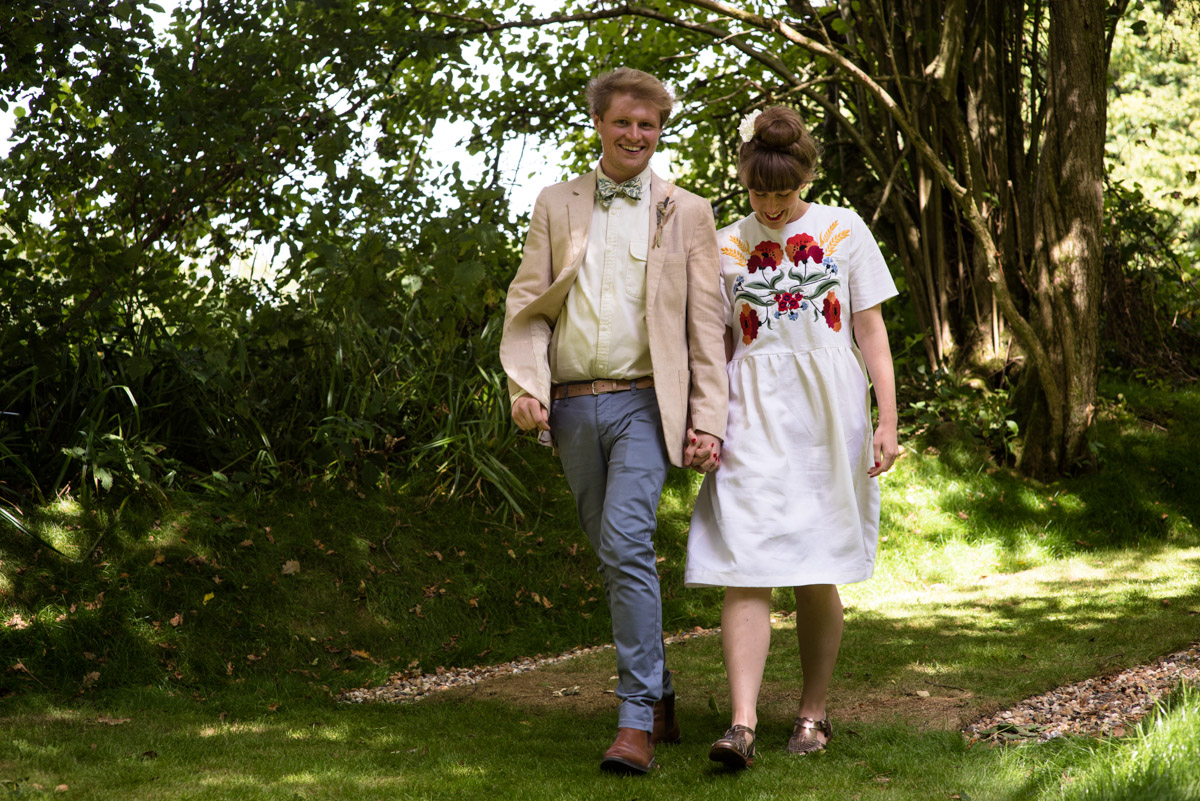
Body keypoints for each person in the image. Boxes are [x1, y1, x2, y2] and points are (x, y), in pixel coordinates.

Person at [499, 67, 728, 775]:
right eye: (624, 122)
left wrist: (708, 419)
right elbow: (529, 306)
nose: (636, 135)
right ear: (599, 123)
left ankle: (634, 722)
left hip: (642, 403)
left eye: (648, 125)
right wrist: (526, 386)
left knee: (627, 539)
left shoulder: (685, 210)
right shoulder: (554, 203)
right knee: (611, 552)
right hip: (571, 404)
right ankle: (658, 686)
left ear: (660, 131)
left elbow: (705, 323)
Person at [684, 105, 899, 769]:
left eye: (784, 193)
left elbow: (870, 332)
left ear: (805, 177)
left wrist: (888, 419)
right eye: (760, 193)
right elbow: (715, 346)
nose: (773, 207)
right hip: (751, 413)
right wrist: (706, 422)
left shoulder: (844, 230)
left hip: (829, 416)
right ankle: (741, 723)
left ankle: (812, 711)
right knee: (744, 558)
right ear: (743, 181)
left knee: (815, 562)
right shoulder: (723, 244)